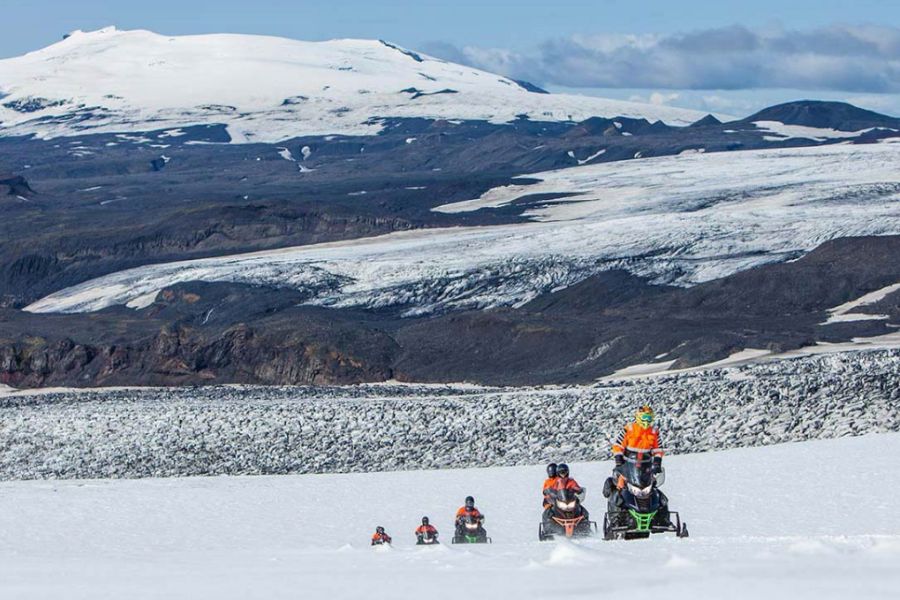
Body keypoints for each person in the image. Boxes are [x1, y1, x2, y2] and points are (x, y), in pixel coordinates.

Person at [607, 405, 671, 526]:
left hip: (646, 466)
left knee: (654, 489)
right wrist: (618, 458)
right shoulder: (629, 429)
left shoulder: (654, 431)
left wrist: (657, 462)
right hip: (628, 466)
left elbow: (658, 449)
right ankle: (615, 519)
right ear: (638, 417)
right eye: (645, 417)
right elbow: (618, 445)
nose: (647, 421)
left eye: (649, 418)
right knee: (619, 488)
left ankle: (663, 518)